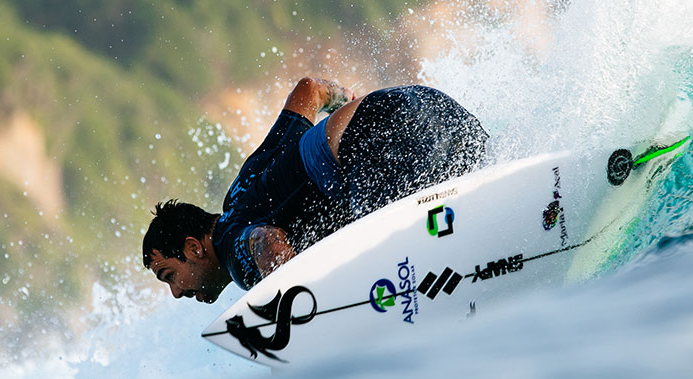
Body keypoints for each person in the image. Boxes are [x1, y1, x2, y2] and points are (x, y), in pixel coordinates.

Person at [142, 77, 488, 303]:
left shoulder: (231, 251)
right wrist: (349, 101)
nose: (176, 293)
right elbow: (311, 90)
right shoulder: (244, 188)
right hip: (420, 102)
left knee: (402, 266)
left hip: (381, 142)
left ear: (194, 248)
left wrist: (302, 311)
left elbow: (266, 241)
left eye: (169, 275)